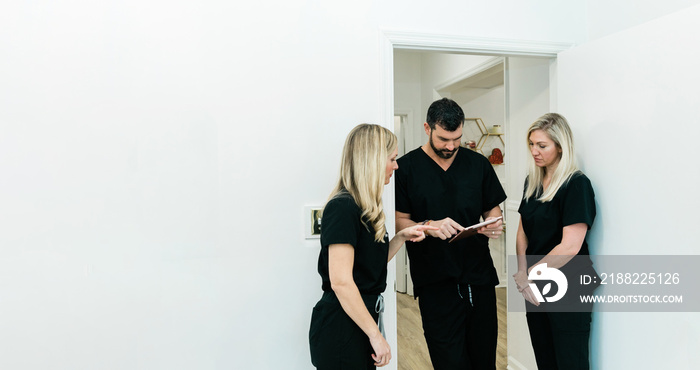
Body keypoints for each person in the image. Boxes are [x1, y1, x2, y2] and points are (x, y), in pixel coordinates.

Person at [309, 123, 437, 369]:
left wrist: (401, 237)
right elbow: (341, 282)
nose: (396, 166)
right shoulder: (343, 208)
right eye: (392, 159)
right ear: (373, 160)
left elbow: (369, 266)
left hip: (359, 319)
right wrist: (376, 336)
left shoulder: (366, 209)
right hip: (341, 328)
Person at [395, 98, 506, 369]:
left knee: (484, 360)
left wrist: (493, 223)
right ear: (427, 128)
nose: (451, 146)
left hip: (478, 279)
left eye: (456, 139)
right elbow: (399, 223)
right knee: (449, 362)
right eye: (444, 139)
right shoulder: (405, 169)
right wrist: (430, 227)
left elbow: (493, 210)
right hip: (435, 282)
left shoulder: (478, 164)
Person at [512, 113, 597, 370]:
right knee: (545, 359)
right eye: (531, 144)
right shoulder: (533, 181)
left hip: (568, 285)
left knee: (571, 362)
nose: (534, 151)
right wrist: (521, 270)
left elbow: (570, 245)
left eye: (542, 145)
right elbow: (522, 231)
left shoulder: (576, 184)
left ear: (560, 146)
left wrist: (531, 275)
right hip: (536, 286)